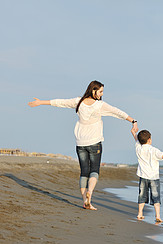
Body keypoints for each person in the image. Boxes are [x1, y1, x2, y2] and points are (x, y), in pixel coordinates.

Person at [28, 80, 138, 210]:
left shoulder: (78, 102)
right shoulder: (99, 105)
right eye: (100, 91)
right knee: (94, 170)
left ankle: (85, 200)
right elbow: (117, 112)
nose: (102, 94)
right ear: (93, 90)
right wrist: (133, 121)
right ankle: (89, 193)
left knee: (84, 172)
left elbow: (60, 102)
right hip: (95, 142)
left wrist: (41, 102)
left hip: (80, 143)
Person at [131, 128, 163, 223]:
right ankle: (158, 216)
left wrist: (133, 132)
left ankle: (140, 213)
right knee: (156, 196)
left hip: (143, 176)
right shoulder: (153, 150)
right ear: (149, 140)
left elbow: (136, 139)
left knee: (141, 195)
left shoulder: (138, 148)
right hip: (154, 177)